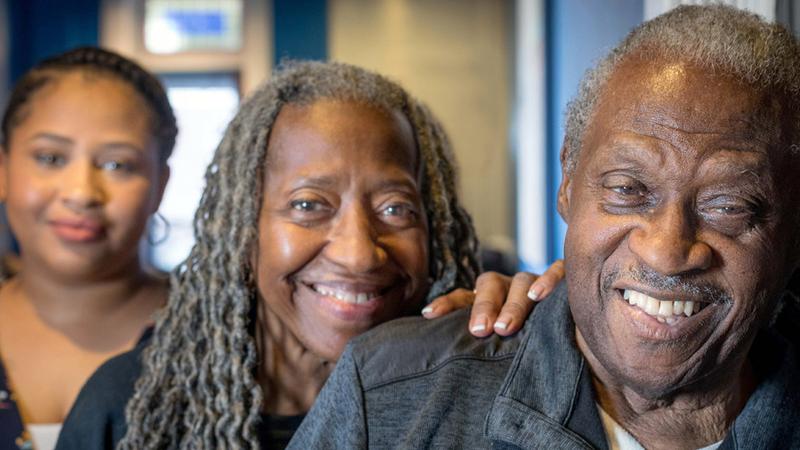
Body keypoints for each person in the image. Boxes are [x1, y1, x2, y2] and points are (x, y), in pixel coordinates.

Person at [291, 5, 800, 449]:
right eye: (627, 190)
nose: (666, 251)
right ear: (568, 187)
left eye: (729, 206)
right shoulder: (387, 393)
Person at [55, 61, 564, 449]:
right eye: (307, 205)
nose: (360, 253)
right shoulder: (127, 409)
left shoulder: (483, 391)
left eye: (395, 207)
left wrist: (552, 338)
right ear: (244, 226)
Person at [0, 47, 176, 450]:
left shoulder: (226, 339)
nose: (81, 193)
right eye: (50, 157)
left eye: (118, 165)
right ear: (3, 169)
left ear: (160, 186)